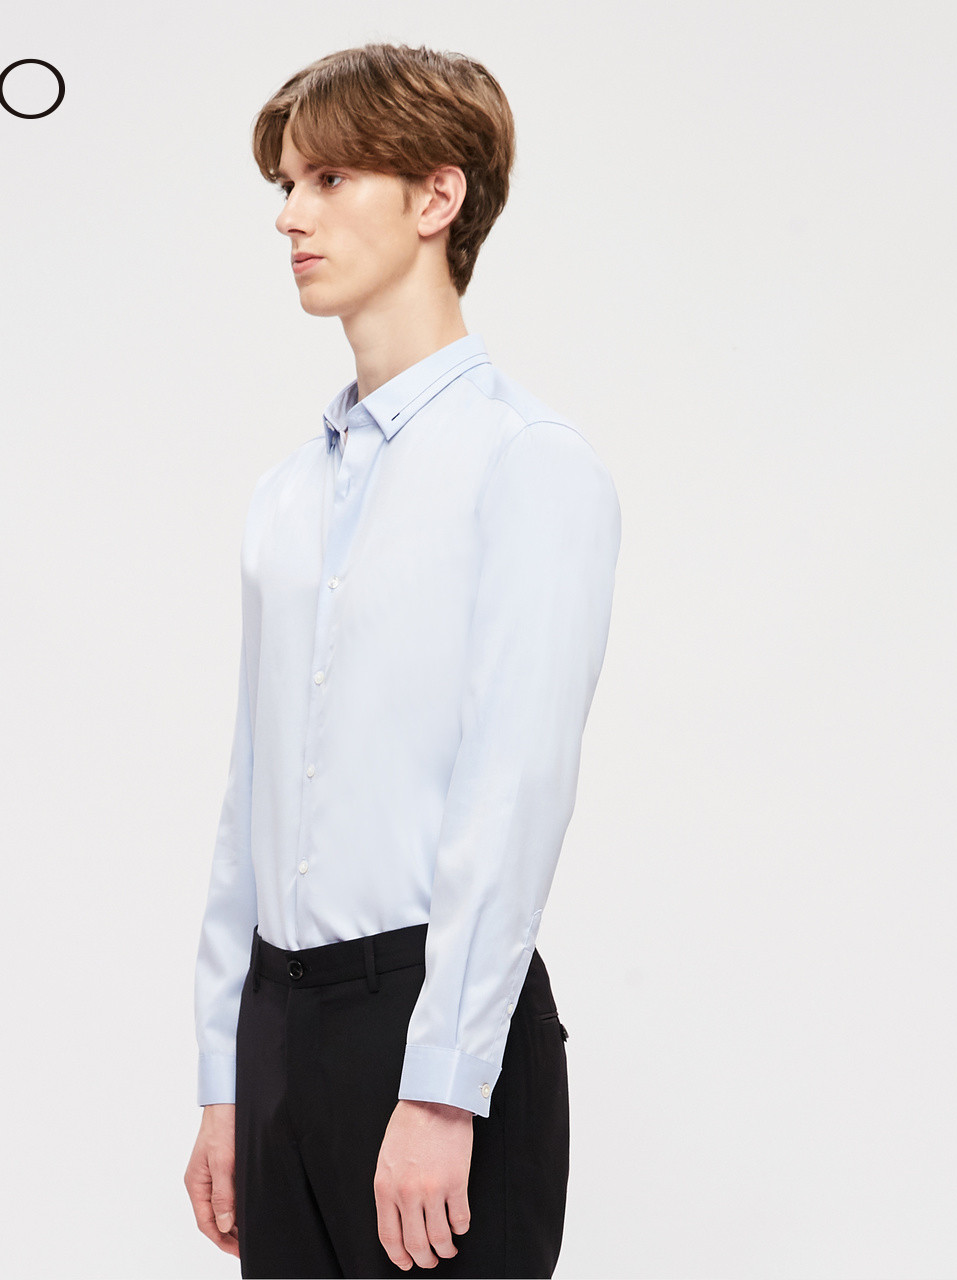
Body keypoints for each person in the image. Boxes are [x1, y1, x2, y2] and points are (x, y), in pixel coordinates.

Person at [183, 42, 621, 1279]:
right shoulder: (284, 495)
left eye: (326, 179)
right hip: (278, 1028)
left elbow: (513, 789)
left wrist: (441, 1084)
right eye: (285, 185)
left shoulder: (524, 463)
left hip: (427, 1023)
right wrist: (225, 1075)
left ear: (437, 196)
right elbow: (252, 795)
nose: (289, 216)